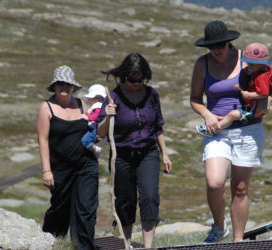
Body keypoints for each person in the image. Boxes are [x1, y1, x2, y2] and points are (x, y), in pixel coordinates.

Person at [190, 20, 272, 243]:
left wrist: (264, 102)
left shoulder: (246, 61)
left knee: (240, 188)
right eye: (212, 46)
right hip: (217, 131)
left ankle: (238, 242)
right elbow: (195, 99)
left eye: (221, 45)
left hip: (248, 131)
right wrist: (207, 114)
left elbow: (267, 88)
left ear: (229, 42)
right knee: (214, 182)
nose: (217, 50)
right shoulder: (203, 64)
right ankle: (219, 225)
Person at [95, 53, 172, 248]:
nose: (137, 83)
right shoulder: (113, 97)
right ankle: (127, 243)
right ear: (123, 76)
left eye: (141, 79)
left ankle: (147, 246)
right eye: (132, 79)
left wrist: (165, 153)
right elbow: (100, 133)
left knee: (149, 196)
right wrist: (107, 116)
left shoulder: (152, 95)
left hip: (148, 152)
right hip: (122, 155)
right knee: (126, 199)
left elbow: (158, 127)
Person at [36, 65, 99, 250]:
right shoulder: (46, 107)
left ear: (73, 87)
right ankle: (52, 242)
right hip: (60, 168)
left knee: (86, 209)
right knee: (59, 210)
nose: (64, 87)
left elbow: (91, 128)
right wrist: (47, 170)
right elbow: (43, 139)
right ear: (54, 87)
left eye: (68, 84)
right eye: (60, 84)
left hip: (86, 164)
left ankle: (84, 246)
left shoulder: (81, 104)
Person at [196, 42, 272, 137]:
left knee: (233, 115)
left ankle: (214, 130)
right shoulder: (262, 70)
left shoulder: (261, 77)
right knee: (233, 115)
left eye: (251, 65)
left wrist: (249, 95)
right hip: (252, 105)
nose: (248, 66)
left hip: (253, 109)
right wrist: (250, 71)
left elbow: (264, 93)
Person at [81, 83, 107, 159]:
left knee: (85, 141)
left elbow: (95, 116)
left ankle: (96, 149)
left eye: (90, 98)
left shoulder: (98, 105)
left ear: (97, 98)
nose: (89, 100)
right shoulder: (101, 105)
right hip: (97, 128)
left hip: (95, 128)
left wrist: (87, 116)